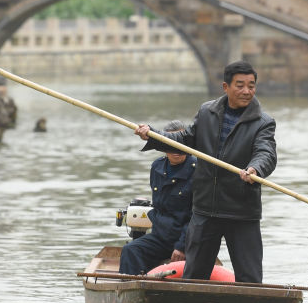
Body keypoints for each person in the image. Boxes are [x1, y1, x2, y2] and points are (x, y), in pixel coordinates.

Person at [134, 60, 276, 283]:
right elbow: (185, 139)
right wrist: (153, 135)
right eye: (240, 85)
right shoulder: (207, 112)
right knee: (194, 275)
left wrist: (255, 168)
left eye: (251, 86)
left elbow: (266, 153)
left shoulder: (263, 122)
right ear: (225, 87)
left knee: (250, 278)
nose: (247, 91)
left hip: (241, 211)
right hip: (205, 210)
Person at [118, 121, 196, 275]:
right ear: (163, 144)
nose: (176, 149)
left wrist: (182, 246)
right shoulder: (157, 167)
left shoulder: (198, 169)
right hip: (161, 236)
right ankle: (131, 287)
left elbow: (197, 216)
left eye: (181, 143)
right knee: (130, 250)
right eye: (171, 144)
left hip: (188, 240)